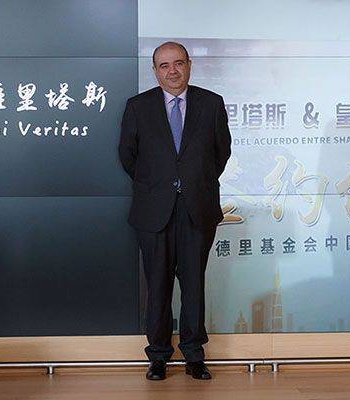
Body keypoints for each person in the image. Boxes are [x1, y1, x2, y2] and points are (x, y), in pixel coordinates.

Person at [118, 41, 231, 380]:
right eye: (164, 65)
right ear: (155, 71)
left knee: (194, 285)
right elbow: (128, 156)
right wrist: (160, 185)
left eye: (178, 63)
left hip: (198, 208)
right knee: (158, 286)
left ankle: (194, 355)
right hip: (154, 211)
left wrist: (194, 182)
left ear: (189, 66)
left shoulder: (211, 104)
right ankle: (158, 356)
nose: (172, 71)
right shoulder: (138, 107)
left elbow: (221, 153)